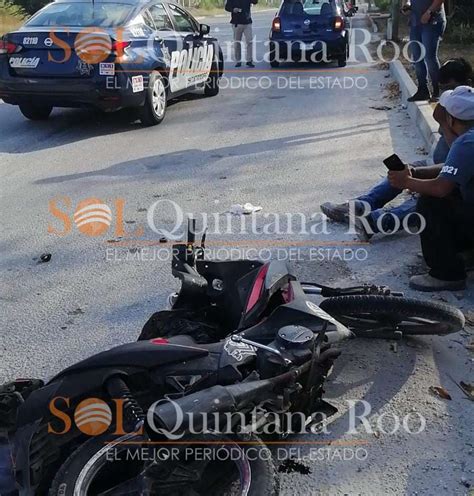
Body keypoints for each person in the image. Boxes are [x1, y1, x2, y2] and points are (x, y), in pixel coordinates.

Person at [320, 58, 472, 241]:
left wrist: (408, 181)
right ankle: (361, 206)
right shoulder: (463, 121)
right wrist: (412, 173)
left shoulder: (465, 133)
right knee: (408, 170)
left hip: (460, 194)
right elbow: (452, 163)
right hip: (447, 172)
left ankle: (375, 221)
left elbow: (445, 181)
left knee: (428, 199)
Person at [388, 85, 474, 291]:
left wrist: (406, 182)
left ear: (451, 119)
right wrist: (416, 174)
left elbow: (440, 188)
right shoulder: (469, 141)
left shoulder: (466, 142)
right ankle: (467, 254)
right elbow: (455, 167)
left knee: (430, 201)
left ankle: (446, 274)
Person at [402, 0, 447, 102]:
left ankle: (437, 91)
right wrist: (407, 5)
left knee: (429, 57)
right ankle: (423, 90)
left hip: (432, 21)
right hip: (416, 22)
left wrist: (429, 12)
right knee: (417, 57)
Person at [225, 0, 258, 68]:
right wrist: (233, 9)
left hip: (247, 22)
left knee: (249, 41)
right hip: (236, 23)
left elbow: (255, 2)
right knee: (237, 43)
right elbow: (227, 7)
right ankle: (238, 61)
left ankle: (249, 60)